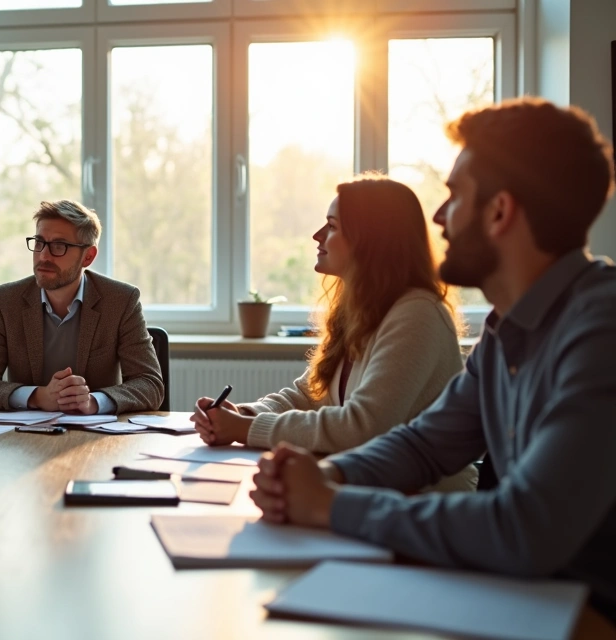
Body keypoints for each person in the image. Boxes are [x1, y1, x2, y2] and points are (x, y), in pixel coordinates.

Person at [249, 98, 616, 618]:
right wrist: (327, 477)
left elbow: (525, 529)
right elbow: (423, 445)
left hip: (590, 613)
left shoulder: (602, 328)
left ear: (499, 211)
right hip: (529, 598)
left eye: (454, 195)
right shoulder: (506, 329)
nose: (439, 217)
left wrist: (331, 503)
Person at [192, 175, 476, 492]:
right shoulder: (361, 310)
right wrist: (244, 413)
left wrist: (246, 428)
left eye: (332, 226)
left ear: (370, 240)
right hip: (369, 492)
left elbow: (362, 426)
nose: (317, 236)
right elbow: (307, 395)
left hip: (421, 503)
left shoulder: (418, 314)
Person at [0, 199, 163, 413]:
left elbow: (150, 384)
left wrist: (93, 402)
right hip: (25, 432)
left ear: (88, 257)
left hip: (92, 431)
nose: (43, 256)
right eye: (39, 242)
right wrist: (37, 397)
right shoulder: (5, 301)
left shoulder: (120, 301)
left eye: (59, 246)